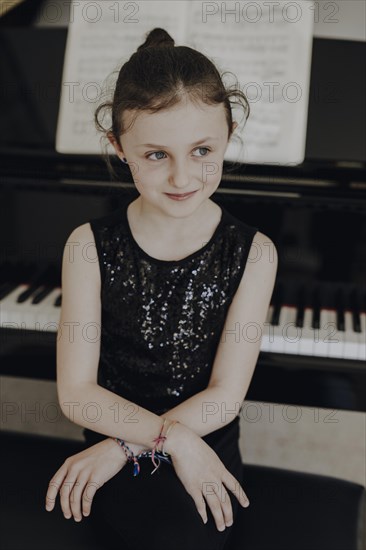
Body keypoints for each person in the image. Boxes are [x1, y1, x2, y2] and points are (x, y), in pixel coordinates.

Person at [45, 27, 278, 550]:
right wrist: (166, 442)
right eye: (155, 155)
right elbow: (76, 393)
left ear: (229, 132)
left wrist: (129, 446)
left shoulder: (255, 250)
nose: (182, 177)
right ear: (118, 147)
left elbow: (225, 396)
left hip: (201, 448)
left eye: (202, 150)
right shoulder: (87, 244)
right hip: (123, 446)